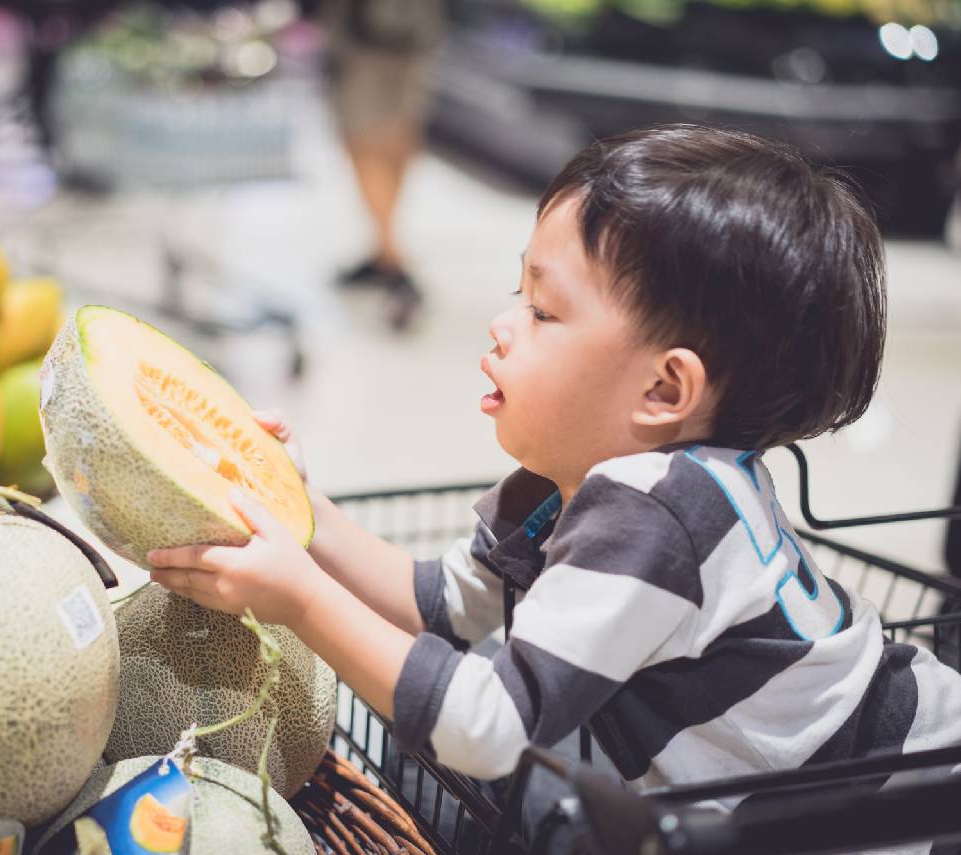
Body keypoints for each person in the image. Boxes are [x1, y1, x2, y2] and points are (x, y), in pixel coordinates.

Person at [147, 125, 961, 848]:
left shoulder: (662, 509)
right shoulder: (568, 485)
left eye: (543, 310)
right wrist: (302, 510)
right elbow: (448, 607)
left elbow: (489, 726)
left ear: (665, 391)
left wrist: (303, 602)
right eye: (518, 295)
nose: (504, 325)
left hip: (902, 796)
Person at [321, 0, 446, 331]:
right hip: (416, 24)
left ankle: (393, 261)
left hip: (364, 33)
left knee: (362, 137)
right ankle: (383, 252)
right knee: (397, 131)